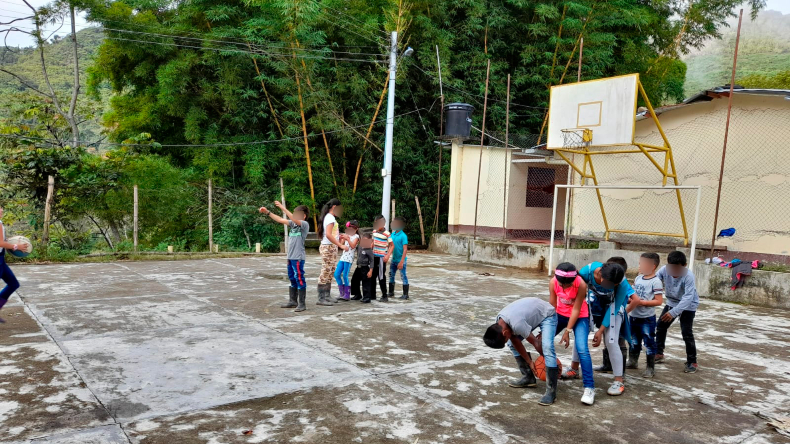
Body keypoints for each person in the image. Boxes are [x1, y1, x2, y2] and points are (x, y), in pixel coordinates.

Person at [483, 297, 560, 406]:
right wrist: (529, 362)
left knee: (546, 347)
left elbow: (536, 343)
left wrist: (550, 362)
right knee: (511, 344)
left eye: (505, 339)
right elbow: (514, 340)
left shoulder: (516, 324)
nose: (507, 340)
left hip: (547, 314)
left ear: (504, 333)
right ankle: (528, 377)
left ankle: (551, 392)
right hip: (531, 314)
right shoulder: (500, 321)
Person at [583, 261, 633, 396]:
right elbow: (577, 290)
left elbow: (615, 308)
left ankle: (619, 380)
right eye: (609, 284)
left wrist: (600, 331)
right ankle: (573, 368)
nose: (611, 287)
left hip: (613, 309)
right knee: (581, 333)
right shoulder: (586, 272)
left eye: (614, 286)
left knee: (611, 340)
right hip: (594, 305)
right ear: (599, 275)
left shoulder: (622, 283)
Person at [549, 262, 595, 405]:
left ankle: (589, 387)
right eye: (561, 284)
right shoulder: (553, 282)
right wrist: (548, 327)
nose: (563, 287)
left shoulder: (581, 284)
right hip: (560, 315)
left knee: (582, 349)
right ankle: (545, 371)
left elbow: (576, 309)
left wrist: (567, 331)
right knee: (544, 340)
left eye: (566, 285)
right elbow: (552, 305)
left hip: (580, 316)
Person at [259, 202, 310, 312]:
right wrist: (267, 212)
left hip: (298, 257)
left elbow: (292, 218)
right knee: (292, 278)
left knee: (299, 278)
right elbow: (279, 220)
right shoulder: (293, 224)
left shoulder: (304, 225)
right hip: (290, 257)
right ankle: (293, 301)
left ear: (304, 215)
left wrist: (282, 207)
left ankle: (302, 304)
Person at [655, 251, 699, 373]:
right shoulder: (664, 270)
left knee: (686, 333)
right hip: (672, 302)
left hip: (688, 305)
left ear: (684, 265)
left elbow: (688, 297)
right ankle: (658, 353)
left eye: (677, 268)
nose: (674, 271)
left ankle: (692, 361)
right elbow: (655, 281)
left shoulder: (688, 276)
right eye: (671, 267)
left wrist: (674, 312)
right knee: (660, 326)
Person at [626, 253, 664, 378]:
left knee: (649, 342)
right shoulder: (638, 278)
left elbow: (658, 301)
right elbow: (633, 293)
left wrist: (641, 302)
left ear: (652, 266)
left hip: (647, 319)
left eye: (642, 263)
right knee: (633, 340)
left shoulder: (656, 281)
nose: (640, 266)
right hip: (634, 316)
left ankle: (650, 368)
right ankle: (633, 361)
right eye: (640, 263)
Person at [317, 199, 349, 306]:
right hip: (328, 247)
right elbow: (328, 235)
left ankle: (327, 295)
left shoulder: (330, 218)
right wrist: (340, 245)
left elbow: (332, 234)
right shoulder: (330, 217)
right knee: (326, 271)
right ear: (334, 207)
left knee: (330, 271)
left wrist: (339, 239)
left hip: (332, 247)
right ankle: (321, 298)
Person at [0, 206, 23, 323]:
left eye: (1, 208)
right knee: (13, 284)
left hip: (1, 259)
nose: (1, 210)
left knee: (13, 284)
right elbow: (0, 243)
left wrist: (9, 241)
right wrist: (16, 246)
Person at [334, 221, 359, 301]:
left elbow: (352, 246)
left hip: (349, 259)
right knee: (336, 274)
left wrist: (348, 239)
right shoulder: (347, 235)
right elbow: (341, 245)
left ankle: (347, 294)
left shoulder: (356, 237)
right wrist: (342, 239)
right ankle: (341, 292)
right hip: (343, 257)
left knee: (345, 275)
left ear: (356, 229)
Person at [371, 215, 393, 302]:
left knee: (381, 277)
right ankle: (373, 295)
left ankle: (384, 295)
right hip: (374, 256)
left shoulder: (387, 234)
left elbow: (392, 245)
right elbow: (373, 242)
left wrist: (387, 256)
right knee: (373, 276)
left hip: (381, 257)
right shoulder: (374, 231)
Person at [388, 216, 410, 300]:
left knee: (403, 276)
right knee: (391, 275)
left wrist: (401, 262)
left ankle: (405, 294)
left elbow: (405, 249)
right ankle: (391, 292)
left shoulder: (403, 236)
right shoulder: (392, 234)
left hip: (401, 260)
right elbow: (390, 246)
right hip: (394, 260)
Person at [355, 233, 376, 303]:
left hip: (365, 267)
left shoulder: (369, 250)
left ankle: (367, 297)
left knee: (366, 283)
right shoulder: (360, 246)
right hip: (358, 267)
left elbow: (372, 261)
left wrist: (370, 271)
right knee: (355, 280)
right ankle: (357, 294)